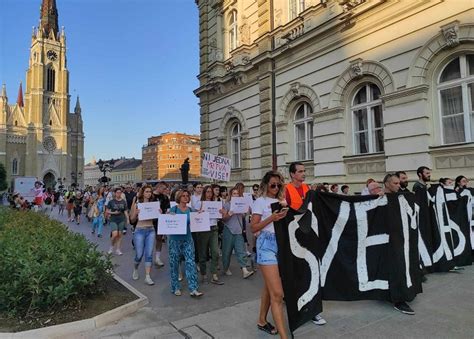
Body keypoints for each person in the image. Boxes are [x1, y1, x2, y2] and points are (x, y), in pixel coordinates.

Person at [284, 162, 326, 326]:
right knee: (297, 274)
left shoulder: (307, 188)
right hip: (293, 238)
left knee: (310, 273)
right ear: (292, 174)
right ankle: (298, 305)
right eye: (300, 171)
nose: (303, 174)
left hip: (308, 237)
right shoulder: (286, 190)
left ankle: (312, 310)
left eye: (304, 171)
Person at [251, 171, 289, 338]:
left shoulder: (281, 201)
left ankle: (261, 320)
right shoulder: (260, 202)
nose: (276, 188)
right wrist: (271, 218)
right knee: (278, 294)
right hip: (266, 244)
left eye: (278, 185)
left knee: (269, 286)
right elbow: (254, 227)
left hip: (280, 244)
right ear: (265, 185)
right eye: (273, 185)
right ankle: (284, 336)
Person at [383, 173, 415, 315]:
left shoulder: (402, 197)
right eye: (395, 183)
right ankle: (397, 299)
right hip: (385, 241)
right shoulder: (380, 198)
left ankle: (399, 296)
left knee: (400, 266)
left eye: (398, 183)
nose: (398, 185)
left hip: (400, 240)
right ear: (387, 184)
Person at [168, 189, 203, 297]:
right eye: (183, 196)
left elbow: (196, 221)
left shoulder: (191, 210)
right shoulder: (173, 209)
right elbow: (168, 222)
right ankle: (175, 287)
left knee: (191, 263)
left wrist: (200, 215)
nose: (185, 197)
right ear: (179, 198)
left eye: (187, 195)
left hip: (187, 239)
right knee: (174, 264)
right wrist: (168, 216)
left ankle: (193, 288)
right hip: (174, 240)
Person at [221, 187, 254, 279]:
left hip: (238, 230)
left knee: (241, 251)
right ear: (231, 195)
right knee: (227, 251)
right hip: (229, 230)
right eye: (234, 193)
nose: (236, 195)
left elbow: (245, 215)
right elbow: (223, 219)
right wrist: (229, 214)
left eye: (237, 194)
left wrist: (246, 210)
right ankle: (226, 267)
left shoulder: (241, 203)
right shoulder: (227, 205)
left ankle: (244, 270)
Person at [129, 185, 157, 285]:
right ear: (143, 193)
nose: (149, 193)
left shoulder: (153, 204)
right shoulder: (137, 203)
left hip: (151, 230)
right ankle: (135, 268)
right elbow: (131, 220)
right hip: (140, 230)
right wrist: (136, 213)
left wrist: (159, 213)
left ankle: (147, 276)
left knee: (149, 254)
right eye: (146, 191)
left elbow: (155, 218)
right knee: (139, 254)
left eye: (150, 191)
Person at [197, 185, 224, 285]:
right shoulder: (200, 203)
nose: (209, 194)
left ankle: (214, 274)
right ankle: (203, 274)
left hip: (214, 228)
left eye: (210, 192)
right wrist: (199, 212)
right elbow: (195, 216)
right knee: (203, 254)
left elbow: (221, 216)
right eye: (207, 192)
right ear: (204, 193)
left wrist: (221, 213)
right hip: (203, 229)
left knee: (215, 252)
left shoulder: (216, 203)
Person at [106, 187, 129, 255]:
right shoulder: (111, 202)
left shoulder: (123, 202)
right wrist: (113, 213)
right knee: (115, 234)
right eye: (117, 193)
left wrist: (127, 219)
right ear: (115, 193)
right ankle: (111, 247)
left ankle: (118, 249)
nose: (119, 194)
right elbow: (107, 211)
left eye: (120, 193)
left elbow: (125, 211)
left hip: (121, 219)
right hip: (113, 219)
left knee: (120, 235)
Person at [153, 182, 170, 267]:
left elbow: (167, 208)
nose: (165, 190)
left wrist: (167, 212)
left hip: (160, 220)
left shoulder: (165, 197)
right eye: (163, 188)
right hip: (150, 221)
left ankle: (157, 258)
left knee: (159, 238)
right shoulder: (151, 196)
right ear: (158, 187)